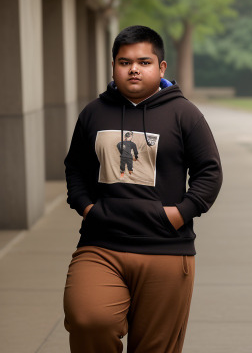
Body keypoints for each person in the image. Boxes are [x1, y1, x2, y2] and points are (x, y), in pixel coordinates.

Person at [63, 25, 222, 353]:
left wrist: (178, 215)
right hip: (101, 243)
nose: (133, 68)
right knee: (88, 319)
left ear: (161, 67)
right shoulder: (94, 113)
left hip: (165, 247)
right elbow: (75, 167)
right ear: (113, 67)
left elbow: (209, 173)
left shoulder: (185, 114)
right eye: (124, 62)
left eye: (143, 62)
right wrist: (87, 207)